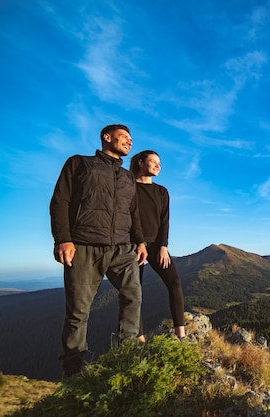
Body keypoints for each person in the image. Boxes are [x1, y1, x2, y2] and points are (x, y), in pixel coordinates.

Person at [50, 124, 148, 377]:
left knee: (133, 296)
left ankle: (126, 356)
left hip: (122, 249)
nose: (129, 141)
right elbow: (60, 200)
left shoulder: (127, 177)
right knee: (78, 311)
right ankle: (73, 372)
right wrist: (63, 239)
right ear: (107, 137)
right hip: (84, 246)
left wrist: (140, 241)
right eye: (124, 136)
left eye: (131, 138)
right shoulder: (79, 164)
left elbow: (133, 212)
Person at [130, 150, 187, 341]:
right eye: (153, 161)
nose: (157, 166)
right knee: (134, 291)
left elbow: (165, 221)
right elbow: (131, 217)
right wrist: (139, 242)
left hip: (156, 245)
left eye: (159, 163)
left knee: (174, 282)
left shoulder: (162, 191)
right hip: (132, 245)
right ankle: (139, 339)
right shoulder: (129, 187)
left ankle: (181, 334)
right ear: (140, 162)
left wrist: (163, 246)